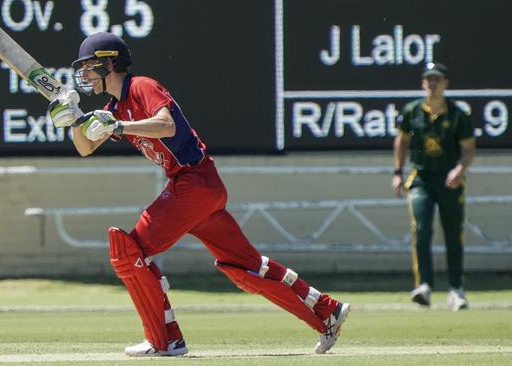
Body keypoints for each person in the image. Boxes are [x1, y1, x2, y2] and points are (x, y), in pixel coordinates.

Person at [48, 32, 350, 357]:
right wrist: (75, 118)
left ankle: (165, 340)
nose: (86, 74)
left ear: (110, 63)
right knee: (244, 267)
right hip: (201, 188)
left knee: (128, 252)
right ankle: (325, 311)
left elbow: (167, 126)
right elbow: (86, 148)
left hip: (193, 181)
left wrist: (118, 126)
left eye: (91, 66)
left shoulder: (141, 87)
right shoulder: (114, 107)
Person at [392, 62, 476, 311]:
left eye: (437, 79)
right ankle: (424, 287)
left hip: (450, 179)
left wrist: (460, 169)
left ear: (446, 83)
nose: (432, 83)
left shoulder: (458, 113)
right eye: (429, 79)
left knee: (453, 233)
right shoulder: (412, 111)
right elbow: (401, 141)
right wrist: (397, 172)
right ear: (423, 82)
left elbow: (469, 149)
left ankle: (456, 289)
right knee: (422, 228)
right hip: (421, 178)